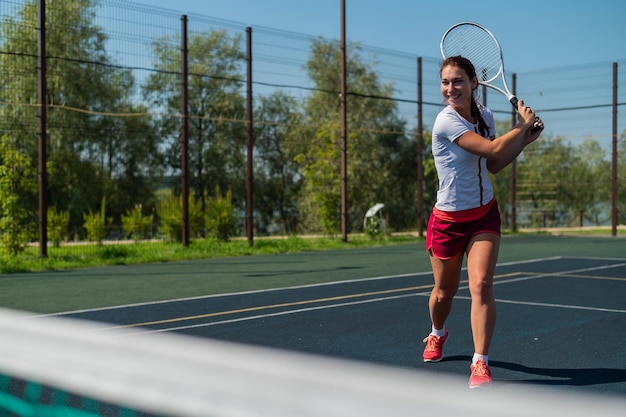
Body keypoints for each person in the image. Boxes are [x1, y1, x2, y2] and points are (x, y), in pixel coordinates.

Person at [422, 56, 543, 389]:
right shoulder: (445, 122)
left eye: (458, 81)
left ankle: (480, 362)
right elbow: (490, 150)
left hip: (483, 215)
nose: (451, 88)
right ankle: (437, 332)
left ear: (474, 83)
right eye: (445, 82)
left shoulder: (486, 116)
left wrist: (523, 141)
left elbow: (494, 165)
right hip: (447, 220)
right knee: (444, 292)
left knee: (482, 285)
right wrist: (520, 127)